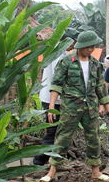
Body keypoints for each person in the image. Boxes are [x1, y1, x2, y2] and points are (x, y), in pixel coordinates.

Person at [40, 30, 109, 182]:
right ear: (80, 45)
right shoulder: (67, 62)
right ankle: (52, 171)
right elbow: (56, 85)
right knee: (62, 137)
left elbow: (101, 88)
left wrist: (107, 107)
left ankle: (95, 171)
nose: (90, 49)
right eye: (88, 46)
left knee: (94, 139)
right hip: (71, 108)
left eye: (93, 46)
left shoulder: (96, 65)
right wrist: (52, 107)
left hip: (91, 108)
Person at [33, 28, 78, 166]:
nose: (74, 45)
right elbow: (57, 79)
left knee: (60, 131)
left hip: (58, 99)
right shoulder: (58, 56)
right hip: (52, 99)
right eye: (72, 42)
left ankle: (54, 161)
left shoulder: (62, 54)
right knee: (52, 132)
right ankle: (38, 162)